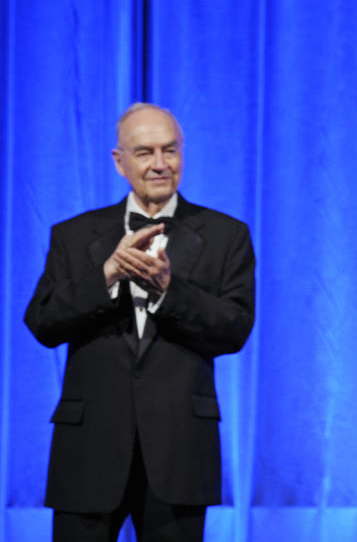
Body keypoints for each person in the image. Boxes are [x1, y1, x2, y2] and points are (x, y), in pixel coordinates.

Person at [24, 103, 256, 541]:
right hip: (88, 450)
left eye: (170, 151)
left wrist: (170, 290)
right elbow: (43, 323)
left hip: (179, 451)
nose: (159, 164)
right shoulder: (73, 235)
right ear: (119, 162)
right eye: (145, 152)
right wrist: (106, 275)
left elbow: (235, 328)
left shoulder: (227, 235)